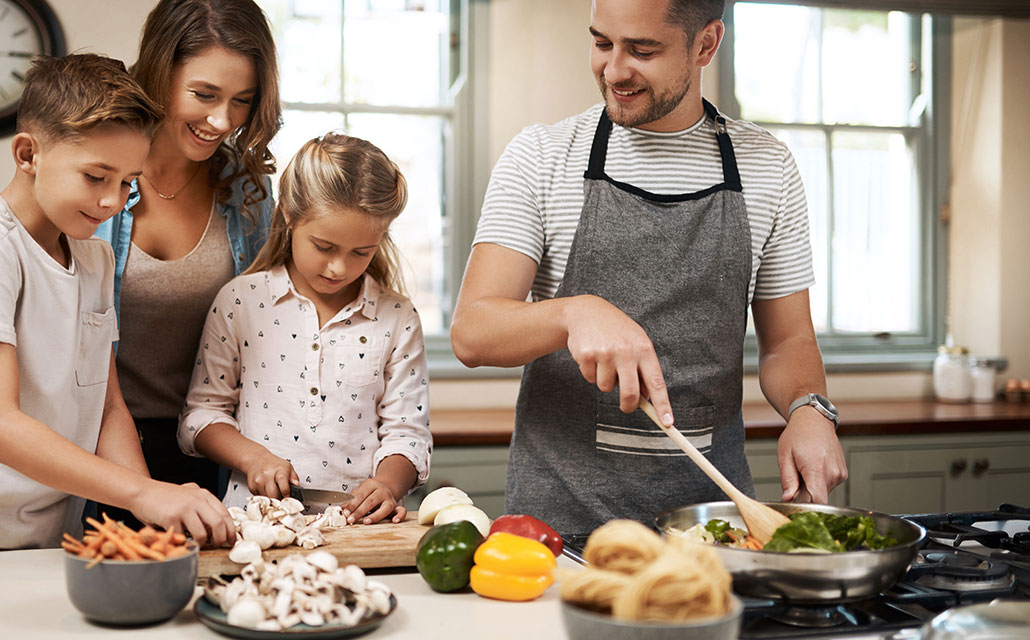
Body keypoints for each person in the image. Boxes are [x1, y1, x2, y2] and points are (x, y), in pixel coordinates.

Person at [450, 0, 847, 535]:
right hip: (559, 528)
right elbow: (473, 331)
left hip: (713, 525)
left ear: (706, 44)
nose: (613, 70)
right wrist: (573, 314)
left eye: (641, 49)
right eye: (601, 43)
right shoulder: (541, 157)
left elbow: (788, 342)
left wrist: (810, 410)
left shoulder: (766, 166)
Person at [0, 0, 282, 497]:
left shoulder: (245, 191)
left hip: (206, 438)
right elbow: (20, 247)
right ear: (160, 72)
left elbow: (272, 313)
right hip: (75, 445)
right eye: (204, 93)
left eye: (242, 100)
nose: (220, 119)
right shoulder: (74, 190)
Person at [0, 54, 235, 554]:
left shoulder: (95, 258)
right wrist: (145, 492)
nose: (112, 202)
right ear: (28, 154)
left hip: (55, 543)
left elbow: (106, 406)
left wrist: (148, 516)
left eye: (127, 182)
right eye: (95, 177)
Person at [178, 133, 432, 525]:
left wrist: (387, 484)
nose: (339, 268)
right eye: (324, 246)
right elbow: (201, 416)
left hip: (358, 529)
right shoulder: (241, 301)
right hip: (254, 524)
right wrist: (253, 457)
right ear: (289, 217)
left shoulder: (397, 317)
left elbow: (408, 434)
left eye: (361, 253)